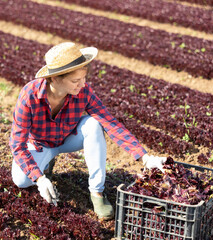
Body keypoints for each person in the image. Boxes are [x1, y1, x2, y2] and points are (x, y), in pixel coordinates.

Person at [9, 42, 166, 220]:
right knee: (22, 181)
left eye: (84, 78)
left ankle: (97, 193)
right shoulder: (30, 96)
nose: (82, 85)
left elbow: (110, 123)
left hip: (68, 139)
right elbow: (17, 144)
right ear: (55, 78)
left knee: (94, 124)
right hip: (40, 144)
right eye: (76, 81)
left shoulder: (83, 92)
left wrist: (144, 157)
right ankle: (46, 164)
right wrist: (39, 179)